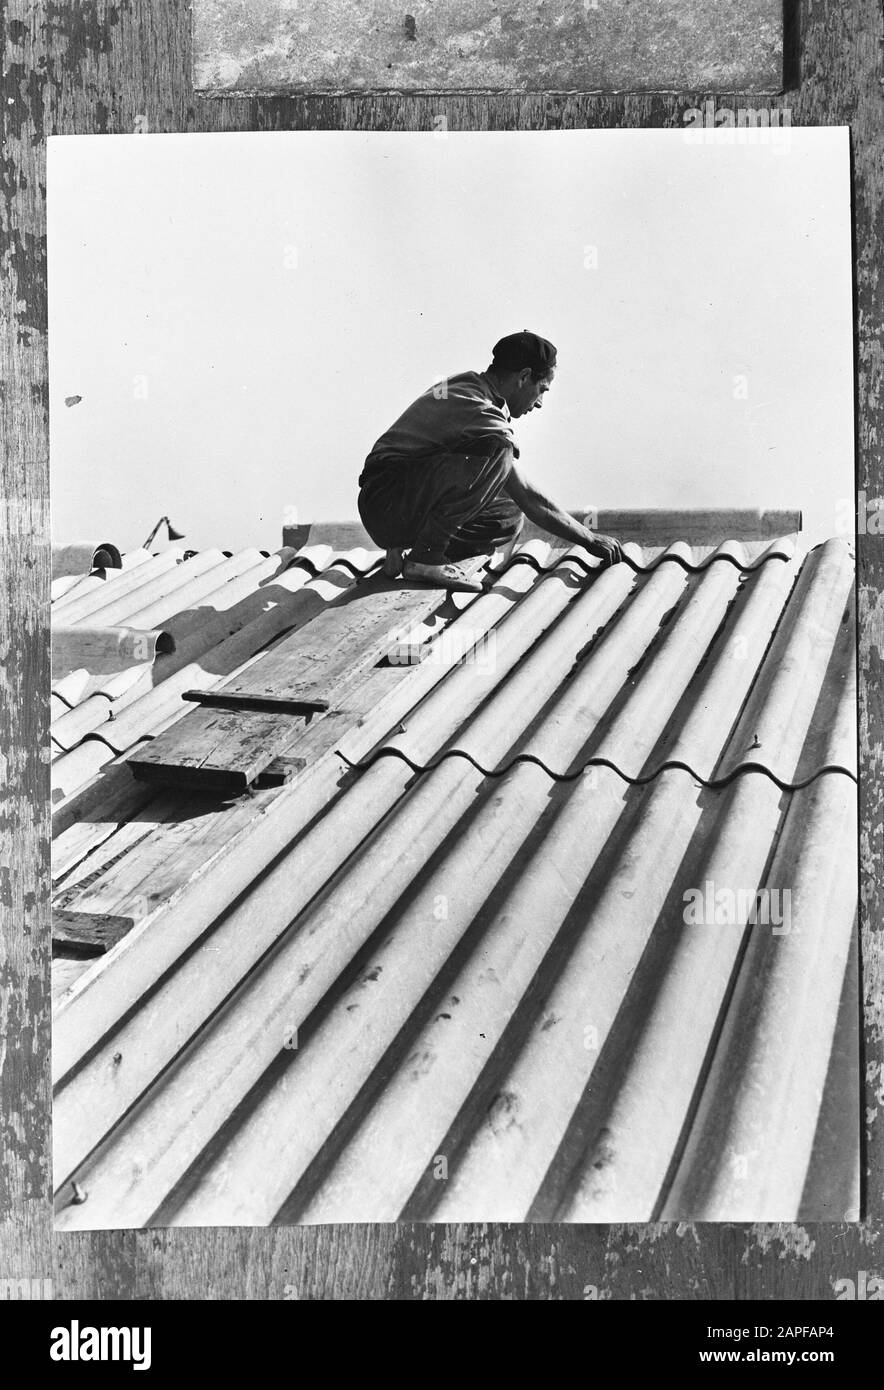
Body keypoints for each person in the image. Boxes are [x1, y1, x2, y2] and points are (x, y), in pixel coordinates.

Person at [357, 330, 624, 591]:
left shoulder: (471, 386)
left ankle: (408, 549)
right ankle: (425, 558)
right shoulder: (479, 406)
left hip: (393, 504)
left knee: (506, 513)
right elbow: (528, 494)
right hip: (387, 499)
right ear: (524, 377)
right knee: (499, 453)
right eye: (542, 389)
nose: (540, 402)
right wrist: (589, 538)